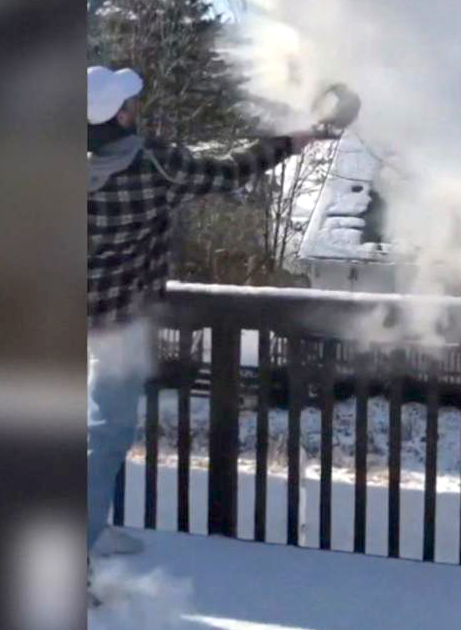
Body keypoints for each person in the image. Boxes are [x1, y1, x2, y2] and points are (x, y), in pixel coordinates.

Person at [86, 65, 321, 569]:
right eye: (129, 104)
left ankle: (92, 527)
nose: (135, 109)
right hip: (116, 323)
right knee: (106, 434)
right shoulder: (152, 166)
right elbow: (229, 172)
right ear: (119, 117)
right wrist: (289, 142)